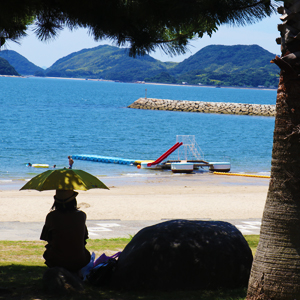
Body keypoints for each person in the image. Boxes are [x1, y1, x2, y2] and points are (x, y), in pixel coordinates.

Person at [40, 190, 91, 273]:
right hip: (80, 260)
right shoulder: (81, 215)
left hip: (57, 260)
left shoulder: (52, 216)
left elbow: (46, 237)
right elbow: (84, 237)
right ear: (74, 201)